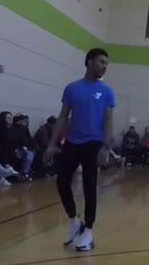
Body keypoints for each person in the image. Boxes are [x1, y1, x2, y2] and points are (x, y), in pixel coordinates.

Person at [45, 47, 116, 252]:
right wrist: (51, 144)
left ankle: (89, 231)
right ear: (89, 62)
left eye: (106, 63)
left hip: (93, 143)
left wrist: (105, 146)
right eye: (102, 61)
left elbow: (109, 119)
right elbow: (62, 117)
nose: (104, 66)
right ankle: (74, 221)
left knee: (89, 186)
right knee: (61, 181)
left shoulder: (106, 91)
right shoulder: (72, 88)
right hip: (72, 142)